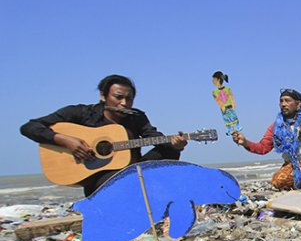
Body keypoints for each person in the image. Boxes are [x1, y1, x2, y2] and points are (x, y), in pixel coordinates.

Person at [20, 75, 187, 197]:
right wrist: (65, 140)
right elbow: (29, 127)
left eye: (129, 99)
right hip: (100, 178)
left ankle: (155, 196)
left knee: (169, 153)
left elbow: (153, 136)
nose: (124, 103)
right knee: (115, 181)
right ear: (103, 96)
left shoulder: (137, 116)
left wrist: (174, 144)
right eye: (118, 97)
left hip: (133, 171)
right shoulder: (81, 113)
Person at [231, 88, 301, 189]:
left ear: (299, 104)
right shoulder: (275, 127)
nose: (283, 104)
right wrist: (245, 142)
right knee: (278, 181)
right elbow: (262, 148)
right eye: (281, 101)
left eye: (287, 101)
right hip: (291, 166)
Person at [211, 71, 242, 136]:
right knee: (226, 119)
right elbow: (217, 100)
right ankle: (230, 129)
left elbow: (231, 96)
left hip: (229, 106)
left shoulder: (228, 89)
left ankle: (237, 126)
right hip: (223, 108)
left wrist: (233, 104)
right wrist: (222, 106)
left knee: (233, 116)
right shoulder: (214, 91)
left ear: (218, 80)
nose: (212, 81)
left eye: (213, 80)